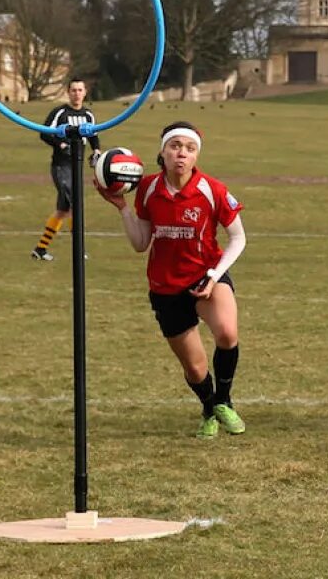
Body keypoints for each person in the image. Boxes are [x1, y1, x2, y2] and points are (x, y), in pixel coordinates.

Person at [95, 121, 246, 438]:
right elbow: (141, 244)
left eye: (189, 149)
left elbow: (238, 238)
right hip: (165, 287)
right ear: (162, 152)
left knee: (227, 333)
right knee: (194, 367)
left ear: (196, 156)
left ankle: (224, 400)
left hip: (206, 275)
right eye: (175, 146)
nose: (182, 153)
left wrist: (214, 275)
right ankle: (209, 410)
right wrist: (122, 208)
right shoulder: (148, 189)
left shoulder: (213, 190)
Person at [32, 78, 102, 261]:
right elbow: (44, 133)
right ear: (68, 92)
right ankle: (79, 249)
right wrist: (61, 144)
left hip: (76, 168)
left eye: (80, 90)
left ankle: (40, 249)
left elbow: (93, 135)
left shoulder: (88, 115)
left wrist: (96, 150)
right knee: (74, 206)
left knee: (63, 210)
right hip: (61, 167)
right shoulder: (60, 112)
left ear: (85, 92)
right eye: (73, 90)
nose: (77, 93)